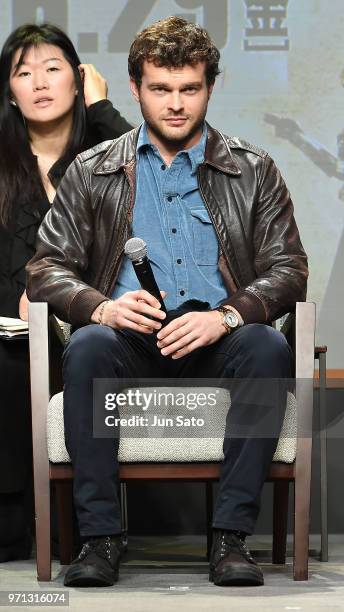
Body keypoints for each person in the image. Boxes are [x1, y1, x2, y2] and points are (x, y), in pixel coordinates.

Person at [27, 16, 308, 588]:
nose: (175, 104)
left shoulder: (254, 171)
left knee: (265, 344)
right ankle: (100, 539)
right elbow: (45, 267)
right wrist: (101, 306)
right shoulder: (92, 169)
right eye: (160, 89)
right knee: (87, 346)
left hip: (218, 335)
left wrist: (226, 316)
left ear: (210, 86)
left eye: (189, 88)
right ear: (135, 88)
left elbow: (289, 269)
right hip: (128, 337)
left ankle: (230, 539)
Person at [0, 22, 133, 562]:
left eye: (53, 68)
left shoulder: (104, 157)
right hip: (12, 329)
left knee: (87, 351)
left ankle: (89, 530)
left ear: (79, 82)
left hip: (97, 321)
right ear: (8, 91)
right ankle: (14, 527)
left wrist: (102, 110)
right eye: (23, 72)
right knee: (8, 362)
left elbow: (152, 169)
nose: (39, 82)